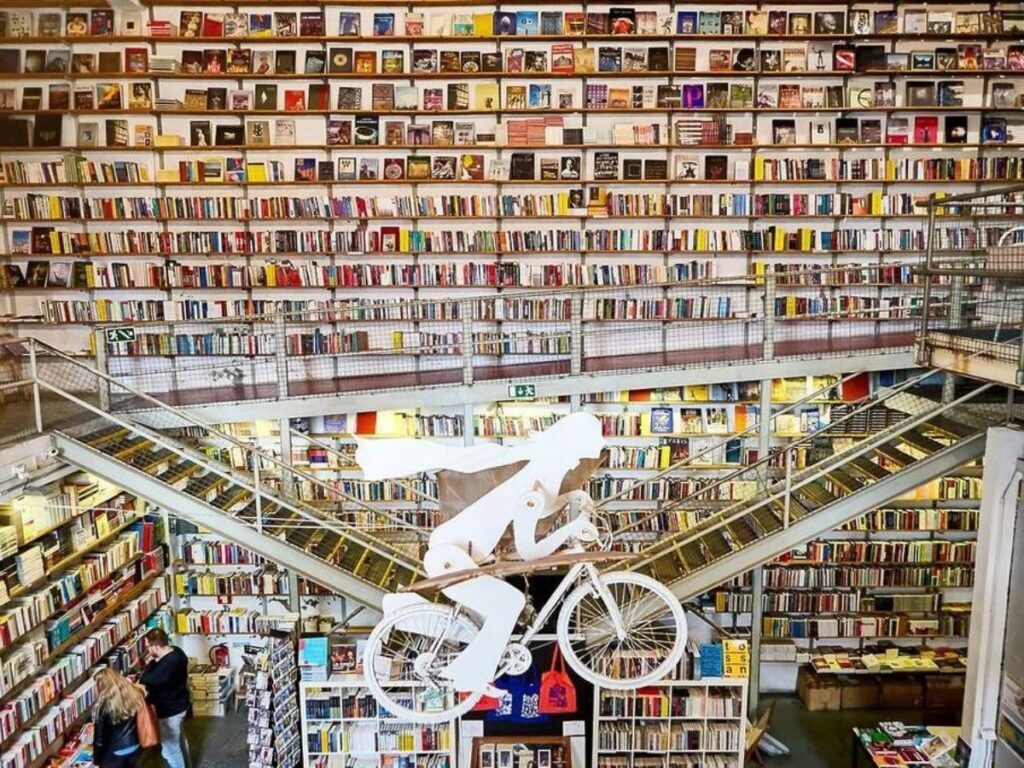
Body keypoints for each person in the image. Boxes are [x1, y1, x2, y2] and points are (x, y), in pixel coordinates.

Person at [356, 412, 604, 698]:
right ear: (571, 448)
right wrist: (570, 529)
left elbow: (541, 507)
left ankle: (476, 669)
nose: (586, 456)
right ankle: (468, 675)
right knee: (511, 602)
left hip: (463, 554)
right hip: (452, 555)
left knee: (485, 622)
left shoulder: (534, 479)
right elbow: (530, 551)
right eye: (588, 445)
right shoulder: (531, 488)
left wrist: (570, 499)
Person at [139, 628, 190, 768]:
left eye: (148, 647)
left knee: (170, 748)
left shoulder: (166, 665)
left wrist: (151, 663)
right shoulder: (176, 651)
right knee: (178, 740)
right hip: (181, 703)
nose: (147, 651)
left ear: (155, 646)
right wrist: (154, 660)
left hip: (170, 710)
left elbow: (146, 679)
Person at [93, 667, 145, 768]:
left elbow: (99, 740)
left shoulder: (103, 707)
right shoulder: (133, 694)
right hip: (135, 746)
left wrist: (97, 760)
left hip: (115, 752)